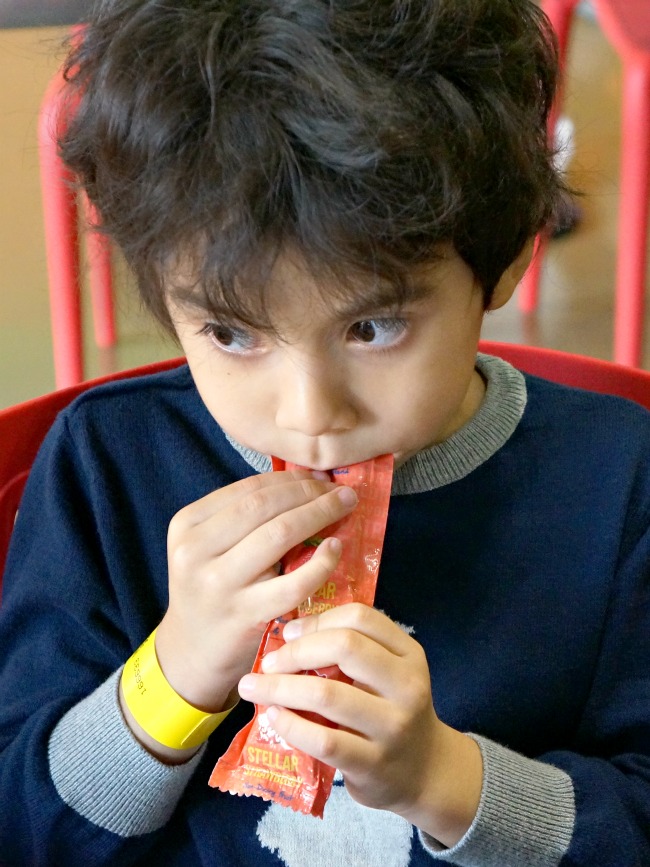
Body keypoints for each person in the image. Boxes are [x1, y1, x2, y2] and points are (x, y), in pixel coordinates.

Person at [1, 1, 649, 864]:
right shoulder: (107, 466)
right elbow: (23, 825)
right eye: (232, 333)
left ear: (511, 258)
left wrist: (446, 779)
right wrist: (175, 673)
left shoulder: (617, 479)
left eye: (374, 326)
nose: (309, 414)